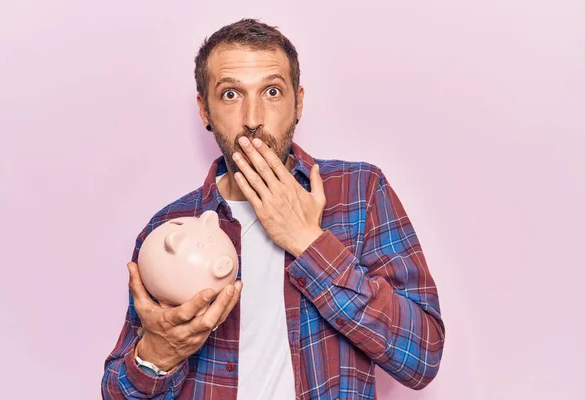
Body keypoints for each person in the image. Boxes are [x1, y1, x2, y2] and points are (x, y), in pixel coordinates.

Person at [101, 18, 445, 400]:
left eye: (272, 92)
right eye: (231, 94)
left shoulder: (359, 192)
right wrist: (158, 355)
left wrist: (309, 244)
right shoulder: (169, 229)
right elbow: (118, 393)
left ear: (298, 102)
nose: (252, 119)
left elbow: (422, 356)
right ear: (204, 110)